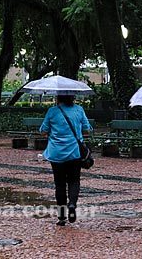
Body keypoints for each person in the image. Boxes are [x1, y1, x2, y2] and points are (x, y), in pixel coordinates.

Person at [40, 94, 92, 226]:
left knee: (60, 184)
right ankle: (72, 204)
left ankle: (62, 217)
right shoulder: (79, 110)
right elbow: (87, 130)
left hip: (56, 153)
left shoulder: (52, 111)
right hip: (74, 152)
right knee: (74, 180)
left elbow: (43, 131)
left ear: (58, 97)